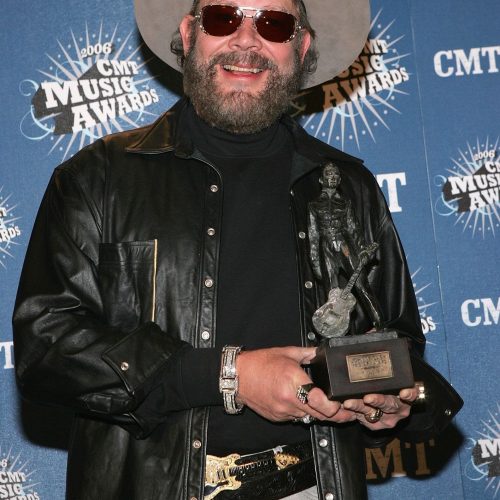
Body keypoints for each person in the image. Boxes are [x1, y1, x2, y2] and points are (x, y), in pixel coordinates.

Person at [13, 0, 437, 499]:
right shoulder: (95, 179)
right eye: (223, 17)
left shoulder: (349, 186)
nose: (246, 40)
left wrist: (398, 397)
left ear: (300, 48)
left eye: (273, 24)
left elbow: (400, 342)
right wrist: (227, 376)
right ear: (190, 34)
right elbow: (46, 349)